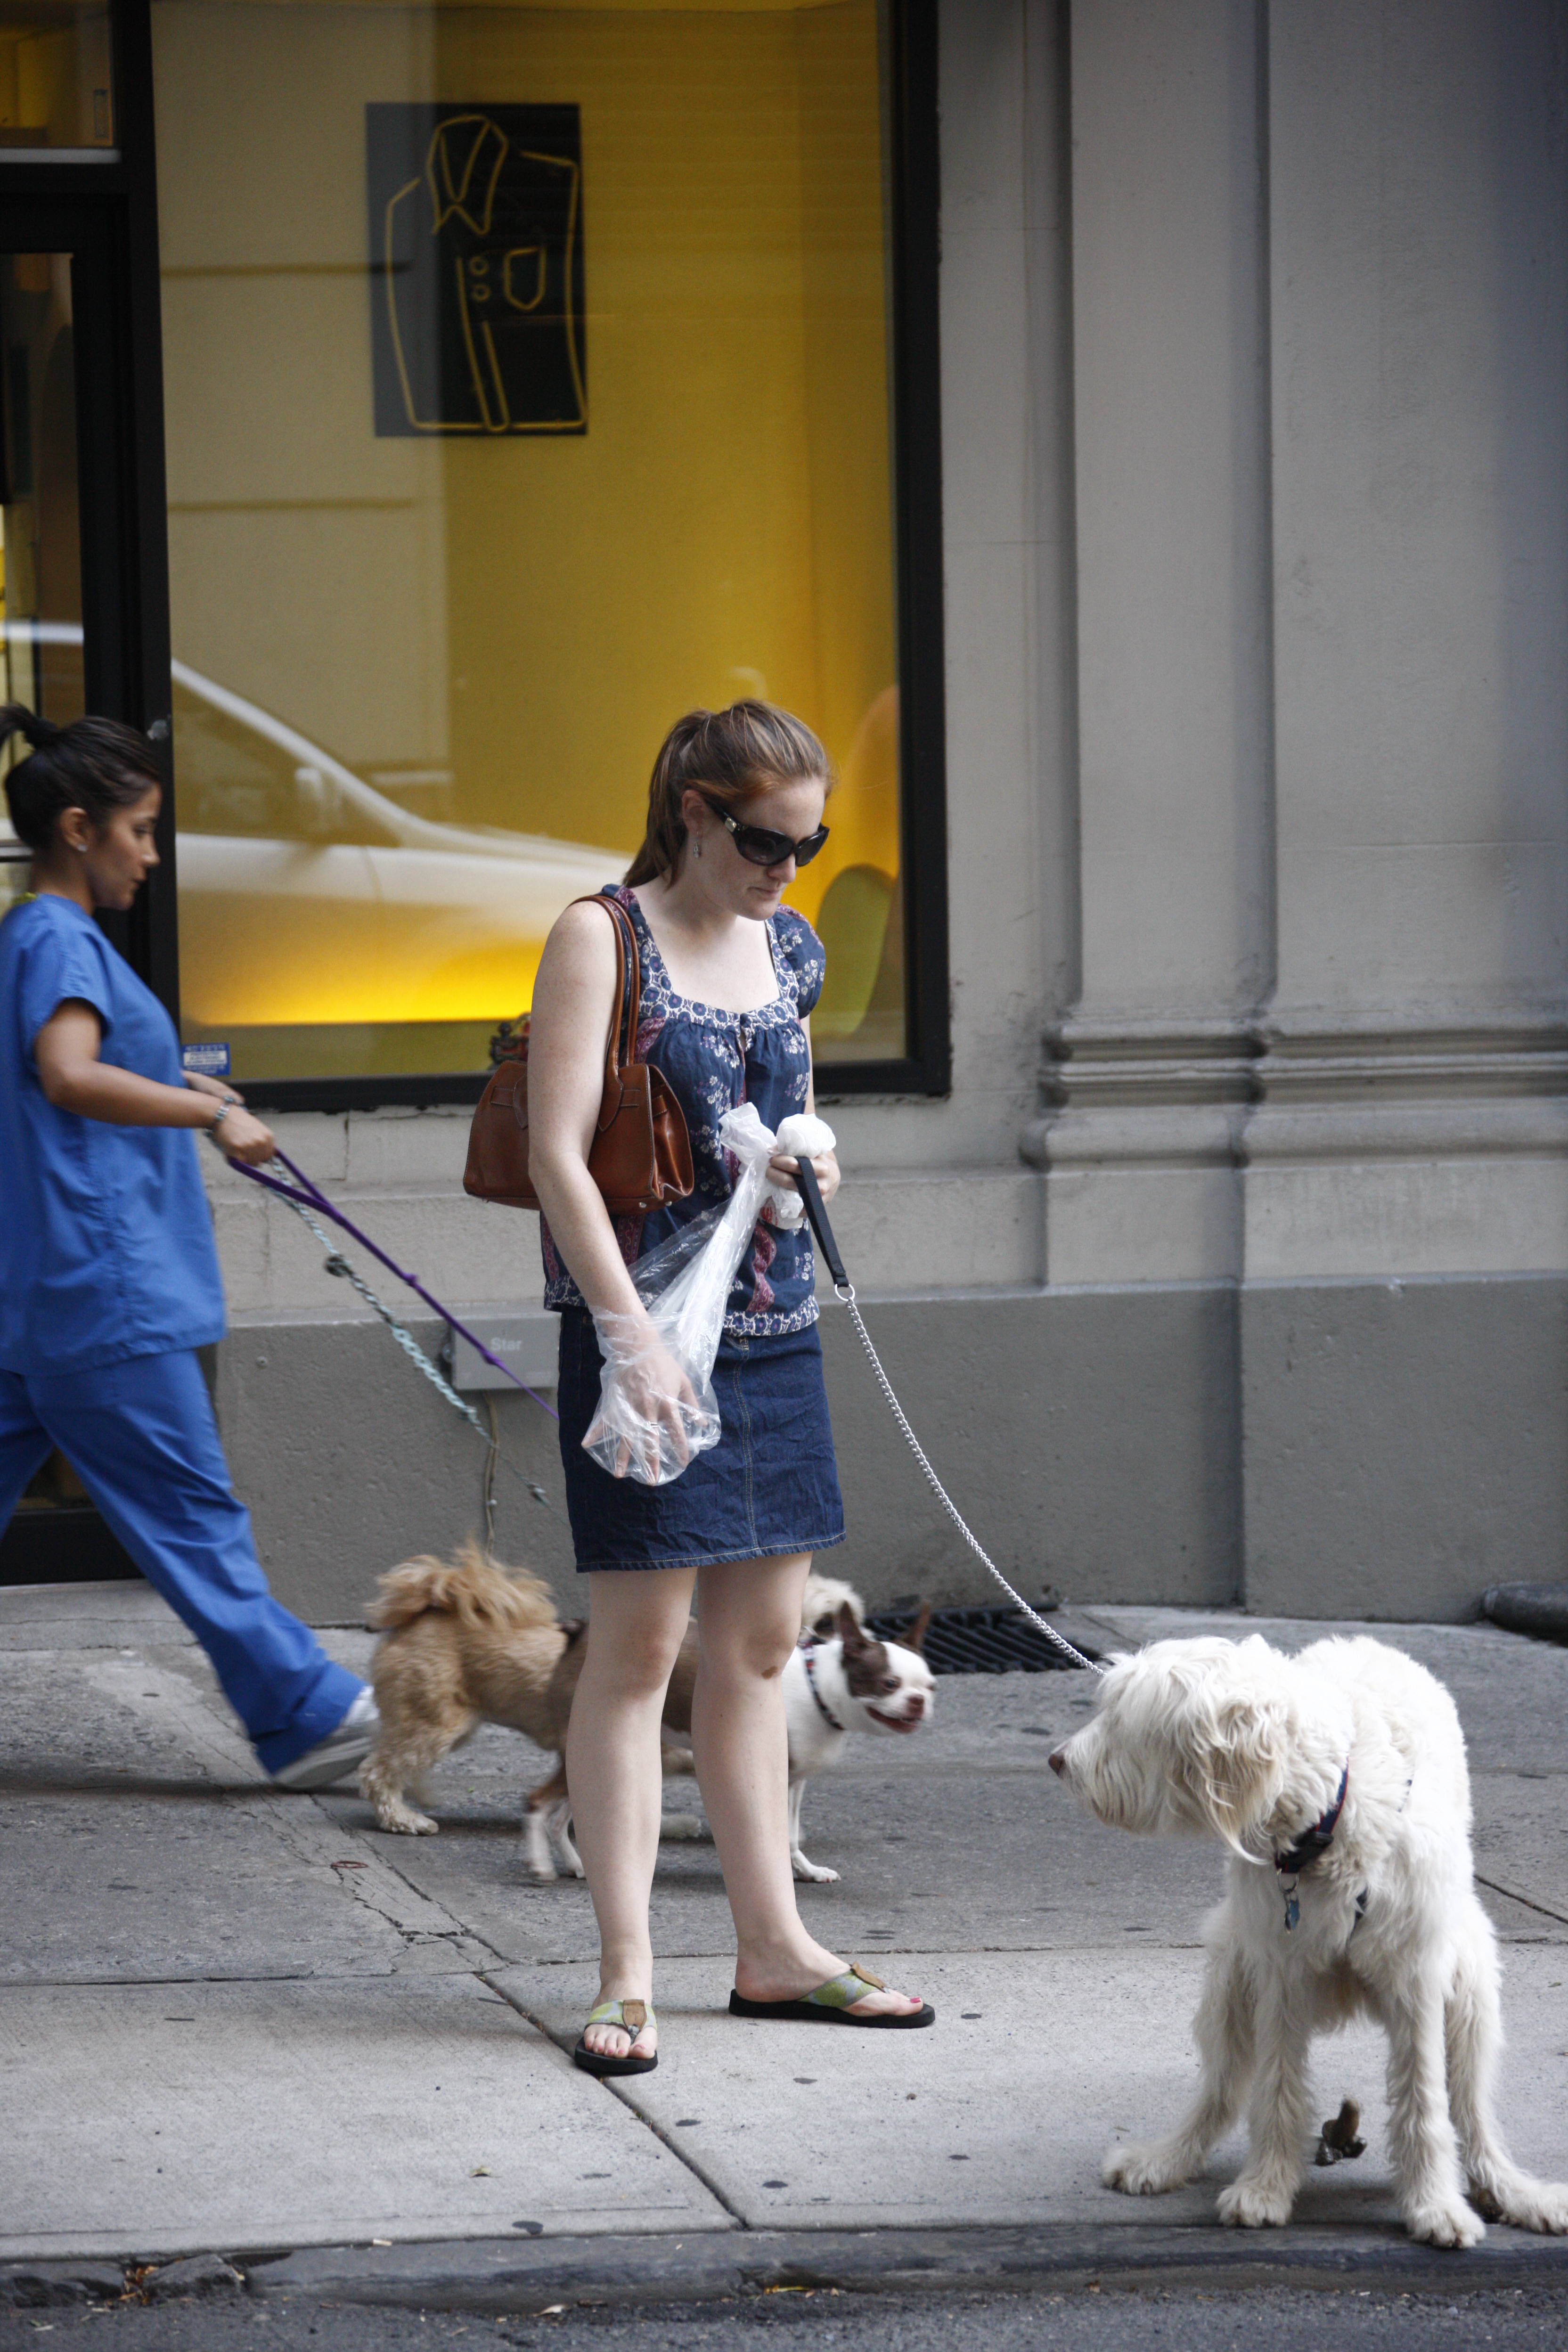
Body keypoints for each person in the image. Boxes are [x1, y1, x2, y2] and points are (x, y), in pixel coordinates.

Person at [527, 700, 933, 2075]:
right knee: (640, 1654)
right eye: (767, 842)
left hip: (772, 1324)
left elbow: (792, 1109)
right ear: (695, 812)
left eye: (808, 848)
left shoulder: (792, 947)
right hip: (644, 1331)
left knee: (762, 1651)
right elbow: (558, 1156)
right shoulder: (603, 935)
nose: (786, 871)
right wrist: (625, 1331)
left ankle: (774, 1953)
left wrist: (816, 1163)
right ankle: (626, 1976)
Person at [0, 706, 378, 1788]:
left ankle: (301, 1708)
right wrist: (208, 1116)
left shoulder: (31, 937)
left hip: (43, 1294)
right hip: (103, 1294)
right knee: (190, 1512)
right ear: (80, 828)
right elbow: (70, 1073)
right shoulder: (59, 939)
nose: (152, 857)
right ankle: (307, 1713)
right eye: (143, 831)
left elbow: (59, 1081)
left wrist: (181, 1085)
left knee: (182, 1509)